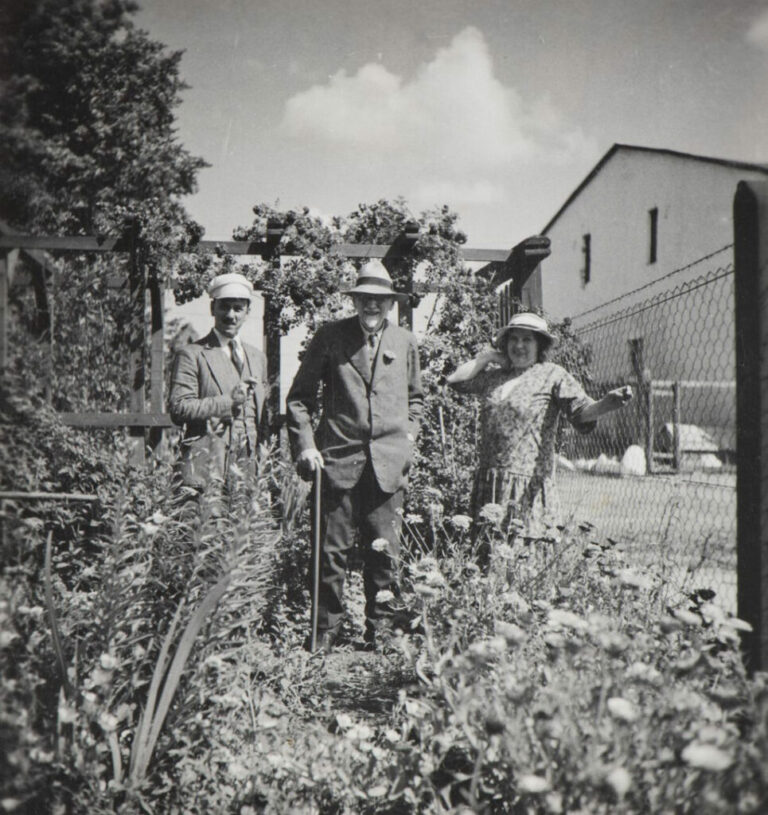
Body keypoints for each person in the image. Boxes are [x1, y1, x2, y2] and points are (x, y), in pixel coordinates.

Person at [286, 259, 424, 652]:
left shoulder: (405, 342)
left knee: (385, 553)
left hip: (388, 464)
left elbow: (416, 400)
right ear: (356, 300)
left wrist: (407, 439)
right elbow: (298, 399)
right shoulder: (331, 336)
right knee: (331, 553)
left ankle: (382, 632)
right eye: (365, 298)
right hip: (338, 461)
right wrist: (307, 445)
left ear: (390, 303)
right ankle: (324, 632)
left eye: (380, 300)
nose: (372, 306)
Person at [447, 312, 632, 537]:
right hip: (491, 483)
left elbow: (581, 412)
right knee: (486, 555)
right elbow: (455, 381)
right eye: (513, 339)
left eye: (527, 340)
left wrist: (605, 404)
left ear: (539, 344)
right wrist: (488, 357)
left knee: (522, 556)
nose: (519, 346)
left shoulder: (552, 375)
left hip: (527, 485)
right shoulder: (495, 377)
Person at [169, 273, 268, 492]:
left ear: (247, 312)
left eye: (238, 308)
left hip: (248, 473)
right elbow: (179, 407)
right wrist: (228, 401)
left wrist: (263, 467)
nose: (231, 315)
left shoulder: (257, 357)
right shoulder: (192, 354)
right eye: (224, 307)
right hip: (205, 468)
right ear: (212, 309)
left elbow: (261, 419)